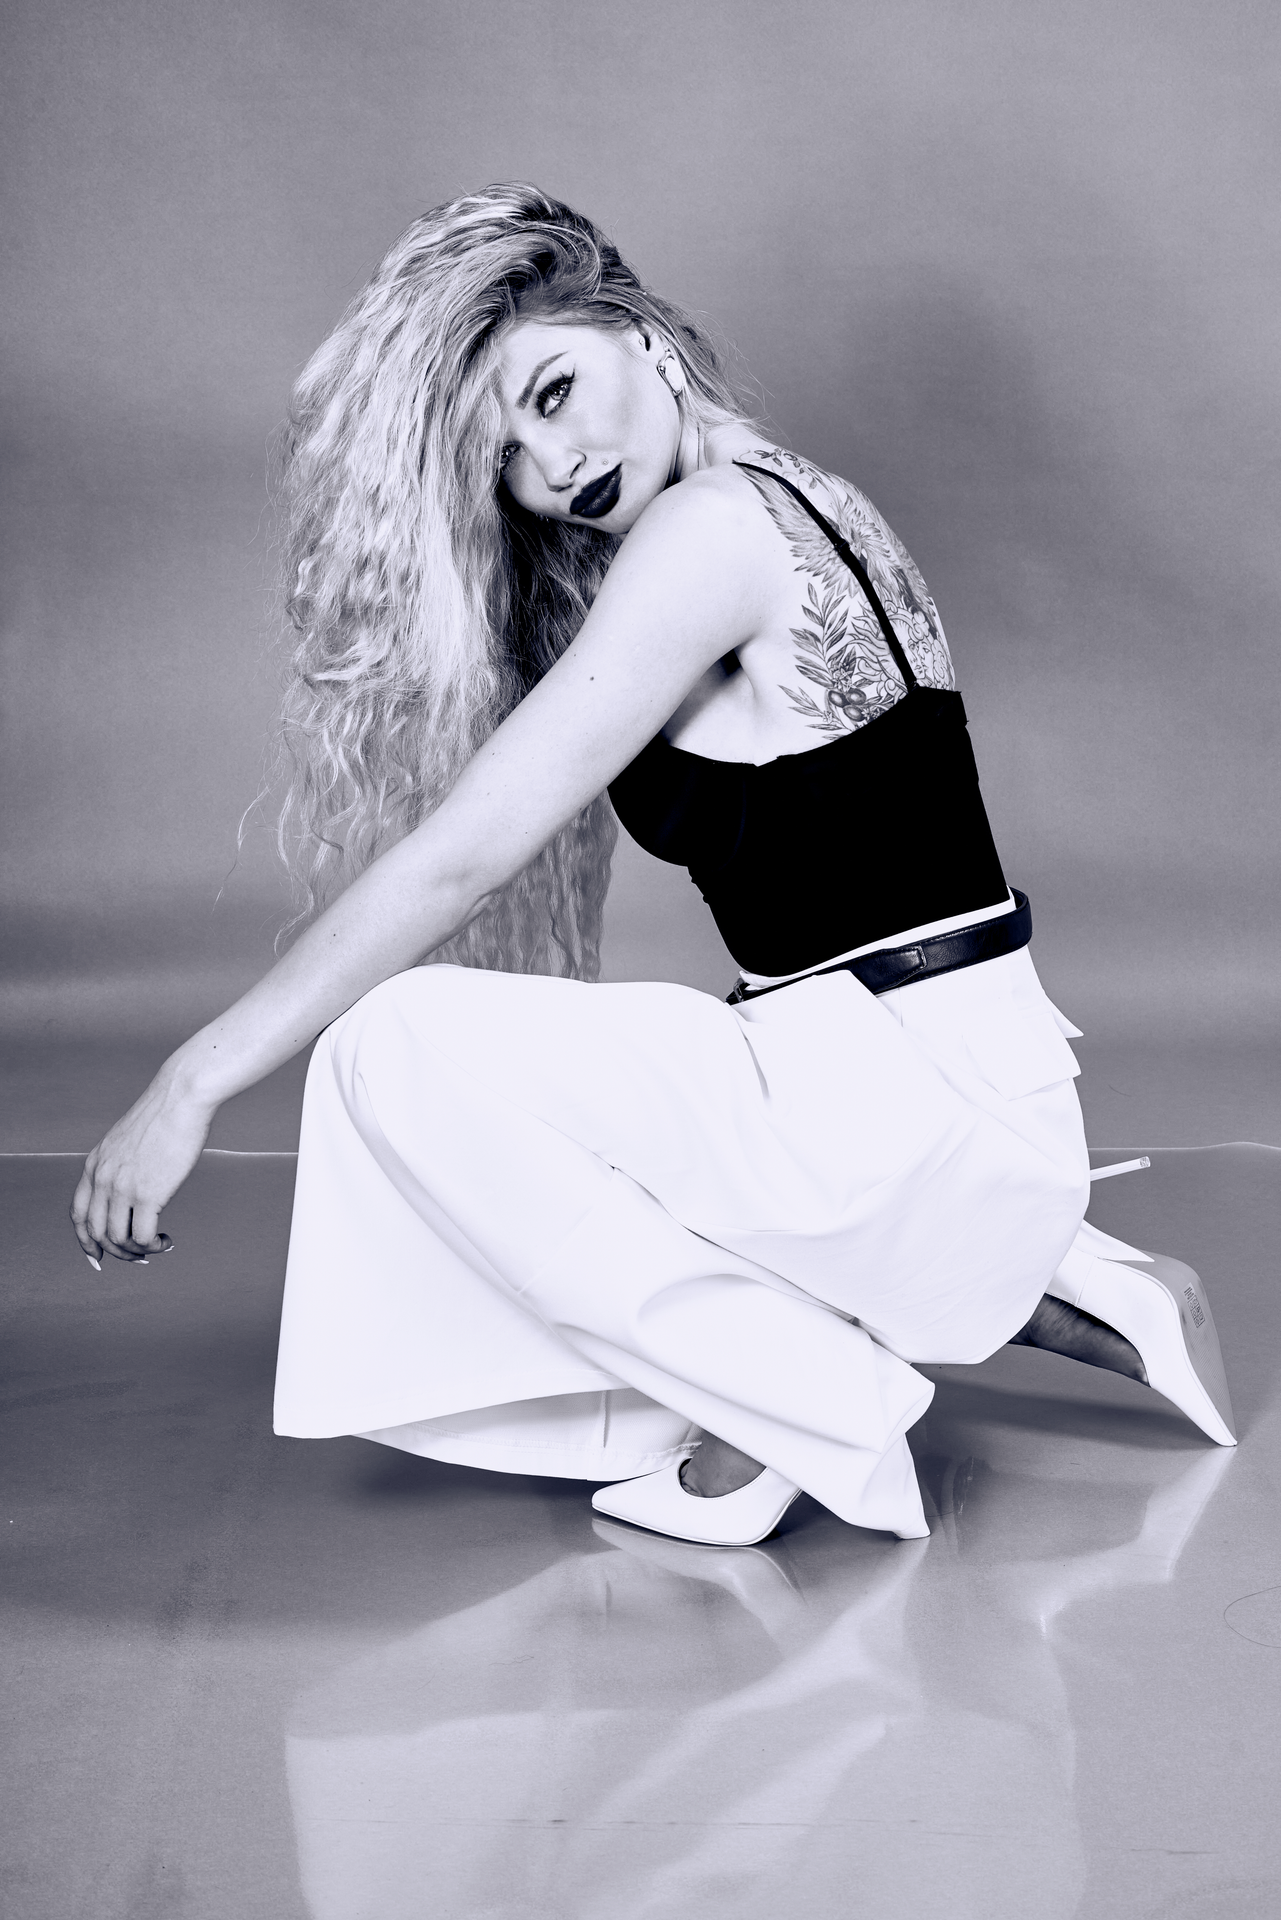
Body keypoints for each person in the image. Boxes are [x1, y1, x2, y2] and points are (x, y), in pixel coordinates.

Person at [70, 184, 1236, 1547]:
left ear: (641, 334)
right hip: (947, 1084)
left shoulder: (711, 535)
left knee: (396, 1052)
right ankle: (1064, 1288)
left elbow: (463, 859)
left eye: (554, 392)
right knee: (595, 1098)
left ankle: (802, 1404)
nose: (552, 464)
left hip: (900, 1099)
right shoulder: (785, 495)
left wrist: (191, 1079)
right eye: (507, 456)